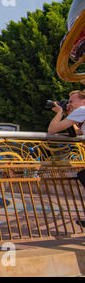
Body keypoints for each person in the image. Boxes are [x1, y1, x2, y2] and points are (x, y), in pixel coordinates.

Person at [47, 89, 85, 228]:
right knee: (82, 174)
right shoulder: (81, 113)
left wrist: (60, 112)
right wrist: (68, 114)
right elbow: (74, 133)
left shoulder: (82, 109)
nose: (70, 104)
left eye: (72, 101)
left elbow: (52, 129)